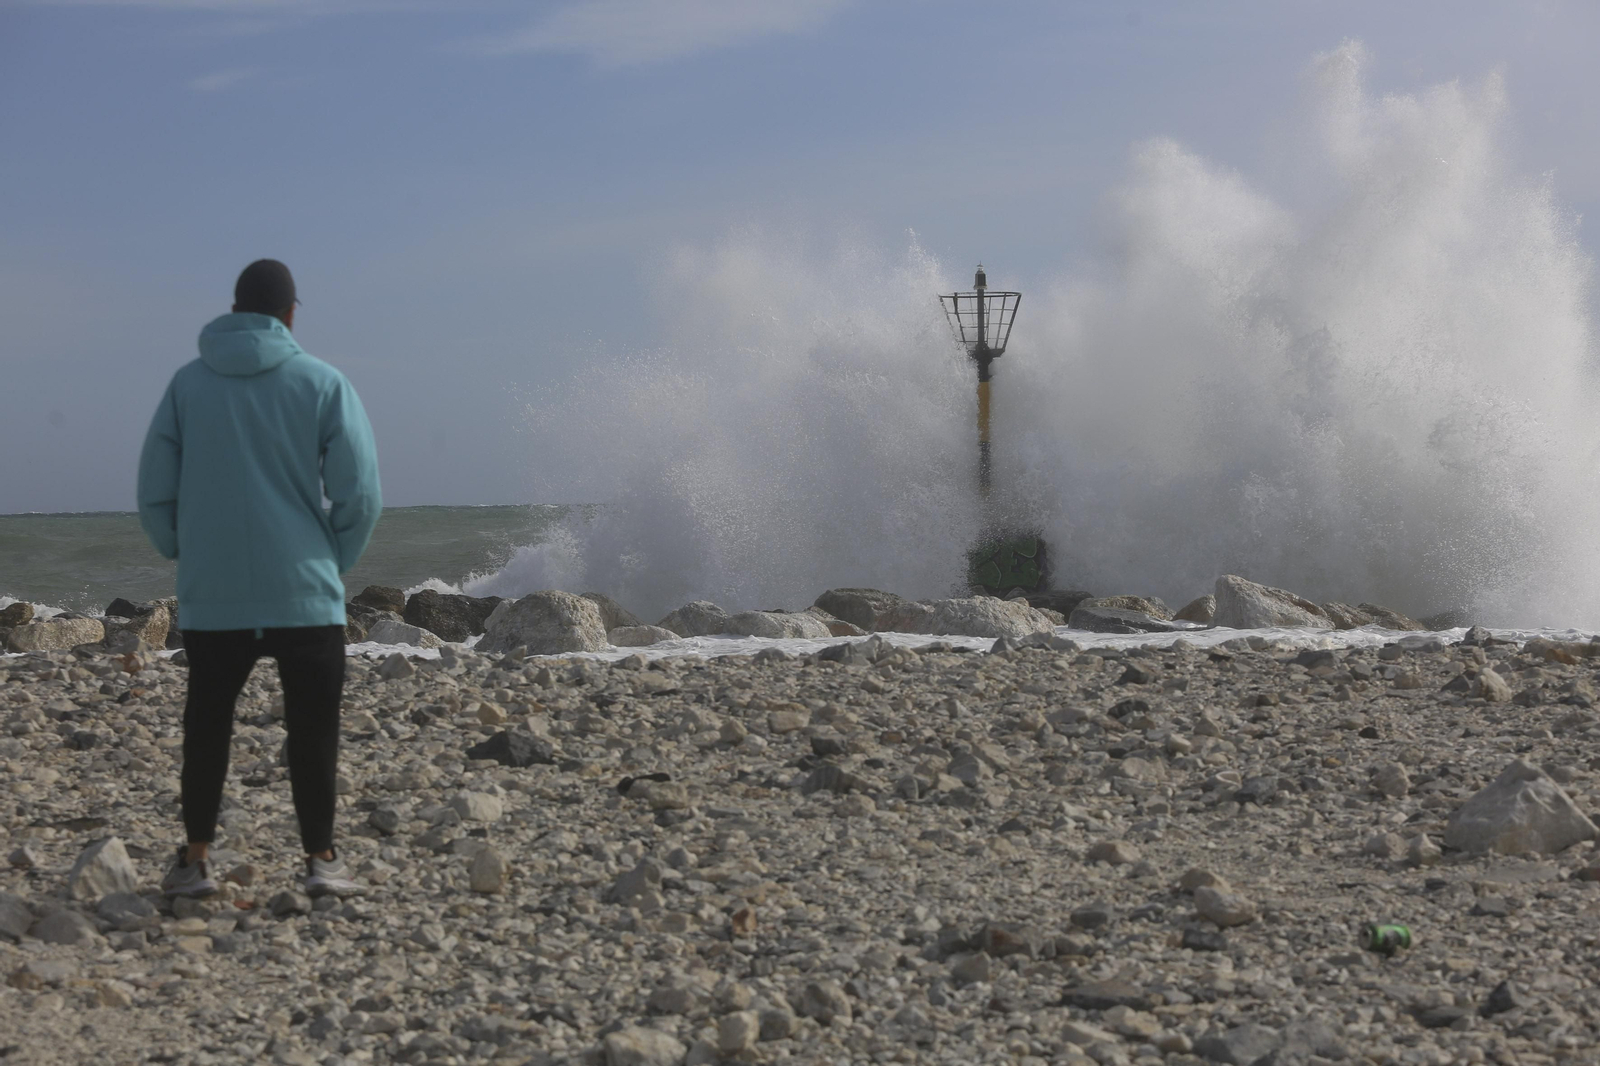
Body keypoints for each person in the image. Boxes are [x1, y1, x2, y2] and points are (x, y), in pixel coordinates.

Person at [137, 259, 382, 899]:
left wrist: (181, 550)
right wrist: (333, 559)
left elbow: (153, 490)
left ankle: (193, 862)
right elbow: (362, 494)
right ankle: (322, 861)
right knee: (313, 729)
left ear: (237, 310)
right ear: (291, 314)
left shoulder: (188, 386)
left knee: (207, 726)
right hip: (306, 594)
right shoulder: (323, 382)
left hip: (215, 596)